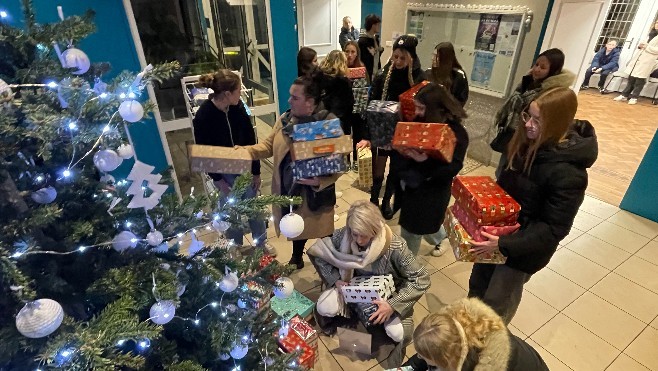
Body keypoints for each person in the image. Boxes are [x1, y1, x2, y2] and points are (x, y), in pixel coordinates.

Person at [469, 87, 598, 324]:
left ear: (557, 123)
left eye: (537, 120)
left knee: (495, 307)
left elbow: (554, 228)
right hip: (495, 238)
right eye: (527, 116)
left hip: (520, 252)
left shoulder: (569, 173)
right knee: (477, 289)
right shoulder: (525, 144)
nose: (528, 124)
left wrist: (505, 243)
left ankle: (485, 352)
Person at [307, 200, 430, 368]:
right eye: (355, 234)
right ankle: (358, 315)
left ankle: (376, 322)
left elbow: (421, 278)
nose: (358, 240)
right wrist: (336, 280)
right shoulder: (344, 235)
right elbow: (319, 253)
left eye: (363, 235)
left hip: (387, 295)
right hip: (351, 287)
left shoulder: (396, 246)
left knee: (397, 333)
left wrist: (391, 305)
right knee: (324, 308)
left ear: (375, 229)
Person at [241, 75, 342, 269]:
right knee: (296, 225)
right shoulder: (285, 119)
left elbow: (339, 162)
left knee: (323, 233)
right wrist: (244, 151)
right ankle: (296, 258)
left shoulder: (327, 123)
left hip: (316, 194)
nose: (289, 100)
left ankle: (333, 266)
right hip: (291, 189)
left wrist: (319, 182)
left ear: (310, 102)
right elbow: (268, 145)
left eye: (295, 97)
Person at [192, 70, 276, 256]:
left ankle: (260, 243)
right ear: (227, 94)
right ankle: (235, 246)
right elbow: (203, 151)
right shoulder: (204, 115)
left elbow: (250, 139)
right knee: (231, 211)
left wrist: (256, 171)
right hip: (223, 173)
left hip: (245, 166)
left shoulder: (239, 108)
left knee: (254, 207)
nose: (241, 94)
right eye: (238, 90)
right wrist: (218, 180)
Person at [394, 83, 468, 257]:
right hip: (413, 184)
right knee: (419, 226)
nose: (417, 112)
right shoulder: (420, 121)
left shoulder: (456, 133)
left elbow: (453, 167)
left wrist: (425, 161)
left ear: (435, 108)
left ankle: (407, 268)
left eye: (421, 108)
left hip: (433, 190)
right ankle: (441, 237)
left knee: (414, 229)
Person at [490, 48, 575, 178]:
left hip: (528, 138)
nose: (537, 69)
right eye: (536, 64)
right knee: (503, 169)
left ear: (553, 71)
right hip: (513, 131)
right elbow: (514, 103)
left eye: (543, 67)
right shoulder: (528, 82)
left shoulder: (551, 93)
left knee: (514, 172)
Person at [404, 298, 549, 370]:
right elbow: (430, 350)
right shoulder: (455, 333)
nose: (419, 357)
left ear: (447, 362)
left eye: (423, 356)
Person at [369, 34, 425, 220]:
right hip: (383, 129)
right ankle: (373, 199)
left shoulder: (419, 78)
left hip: (404, 131)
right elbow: (372, 101)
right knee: (379, 166)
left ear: (411, 57)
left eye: (403, 57)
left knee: (396, 168)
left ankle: (387, 201)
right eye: (395, 57)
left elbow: (423, 106)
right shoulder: (383, 74)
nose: (398, 61)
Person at [344, 40, 372, 170]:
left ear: (357, 53)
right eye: (347, 51)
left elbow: (366, 90)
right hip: (344, 109)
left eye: (352, 52)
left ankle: (356, 160)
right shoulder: (340, 68)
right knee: (344, 134)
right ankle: (345, 160)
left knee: (358, 135)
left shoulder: (361, 68)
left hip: (358, 108)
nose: (349, 55)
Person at [613, 34, 658, 105]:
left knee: (639, 80)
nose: (657, 24)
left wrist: (647, 46)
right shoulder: (650, 34)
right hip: (638, 59)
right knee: (631, 78)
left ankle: (634, 97)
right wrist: (640, 46)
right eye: (656, 22)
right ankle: (624, 95)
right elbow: (643, 46)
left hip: (647, 61)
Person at [426, 42, 469, 106]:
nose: (433, 59)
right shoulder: (429, 72)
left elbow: (460, 100)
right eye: (433, 55)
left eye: (437, 56)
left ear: (445, 58)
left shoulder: (458, 75)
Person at [358, 14, 384, 79]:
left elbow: (376, 56)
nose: (379, 27)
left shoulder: (376, 39)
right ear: (373, 25)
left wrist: (380, 50)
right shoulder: (362, 41)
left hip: (376, 71)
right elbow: (361, 58)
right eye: (378, 25)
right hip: (367, 73)